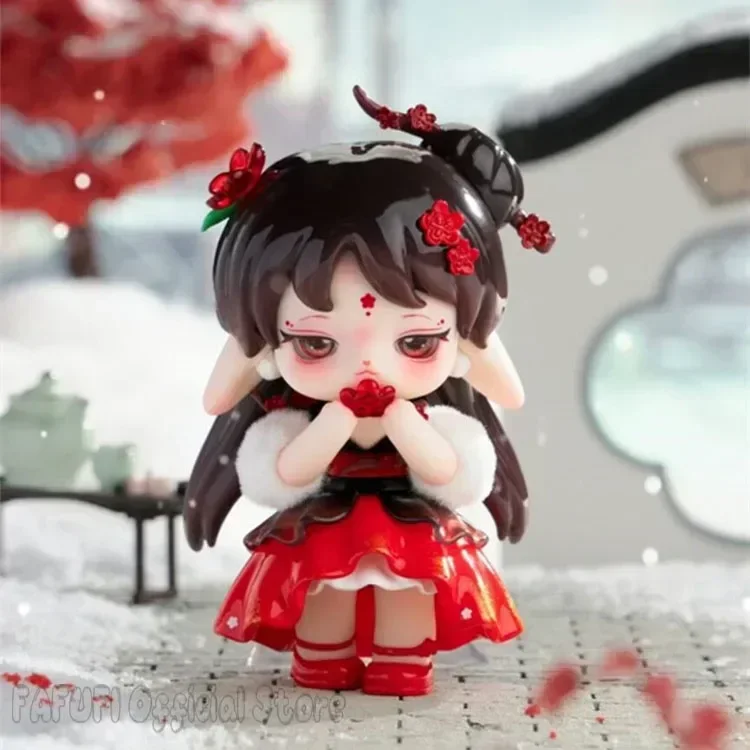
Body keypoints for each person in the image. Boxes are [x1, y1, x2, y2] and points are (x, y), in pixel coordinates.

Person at [184, 86, 556, 697]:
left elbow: (449, 470)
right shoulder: (294, 416)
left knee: (408, 587)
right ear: (267, 346)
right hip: (324, 513)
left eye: (416, 342)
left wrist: (406, 425)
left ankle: (402, 662)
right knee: (324, 586)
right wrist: (331, 423)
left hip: (410, 515)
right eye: (315, 343)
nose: (368, 368)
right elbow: (286, 470)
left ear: (463, 338)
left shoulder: (432, 415)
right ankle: (323, 657)